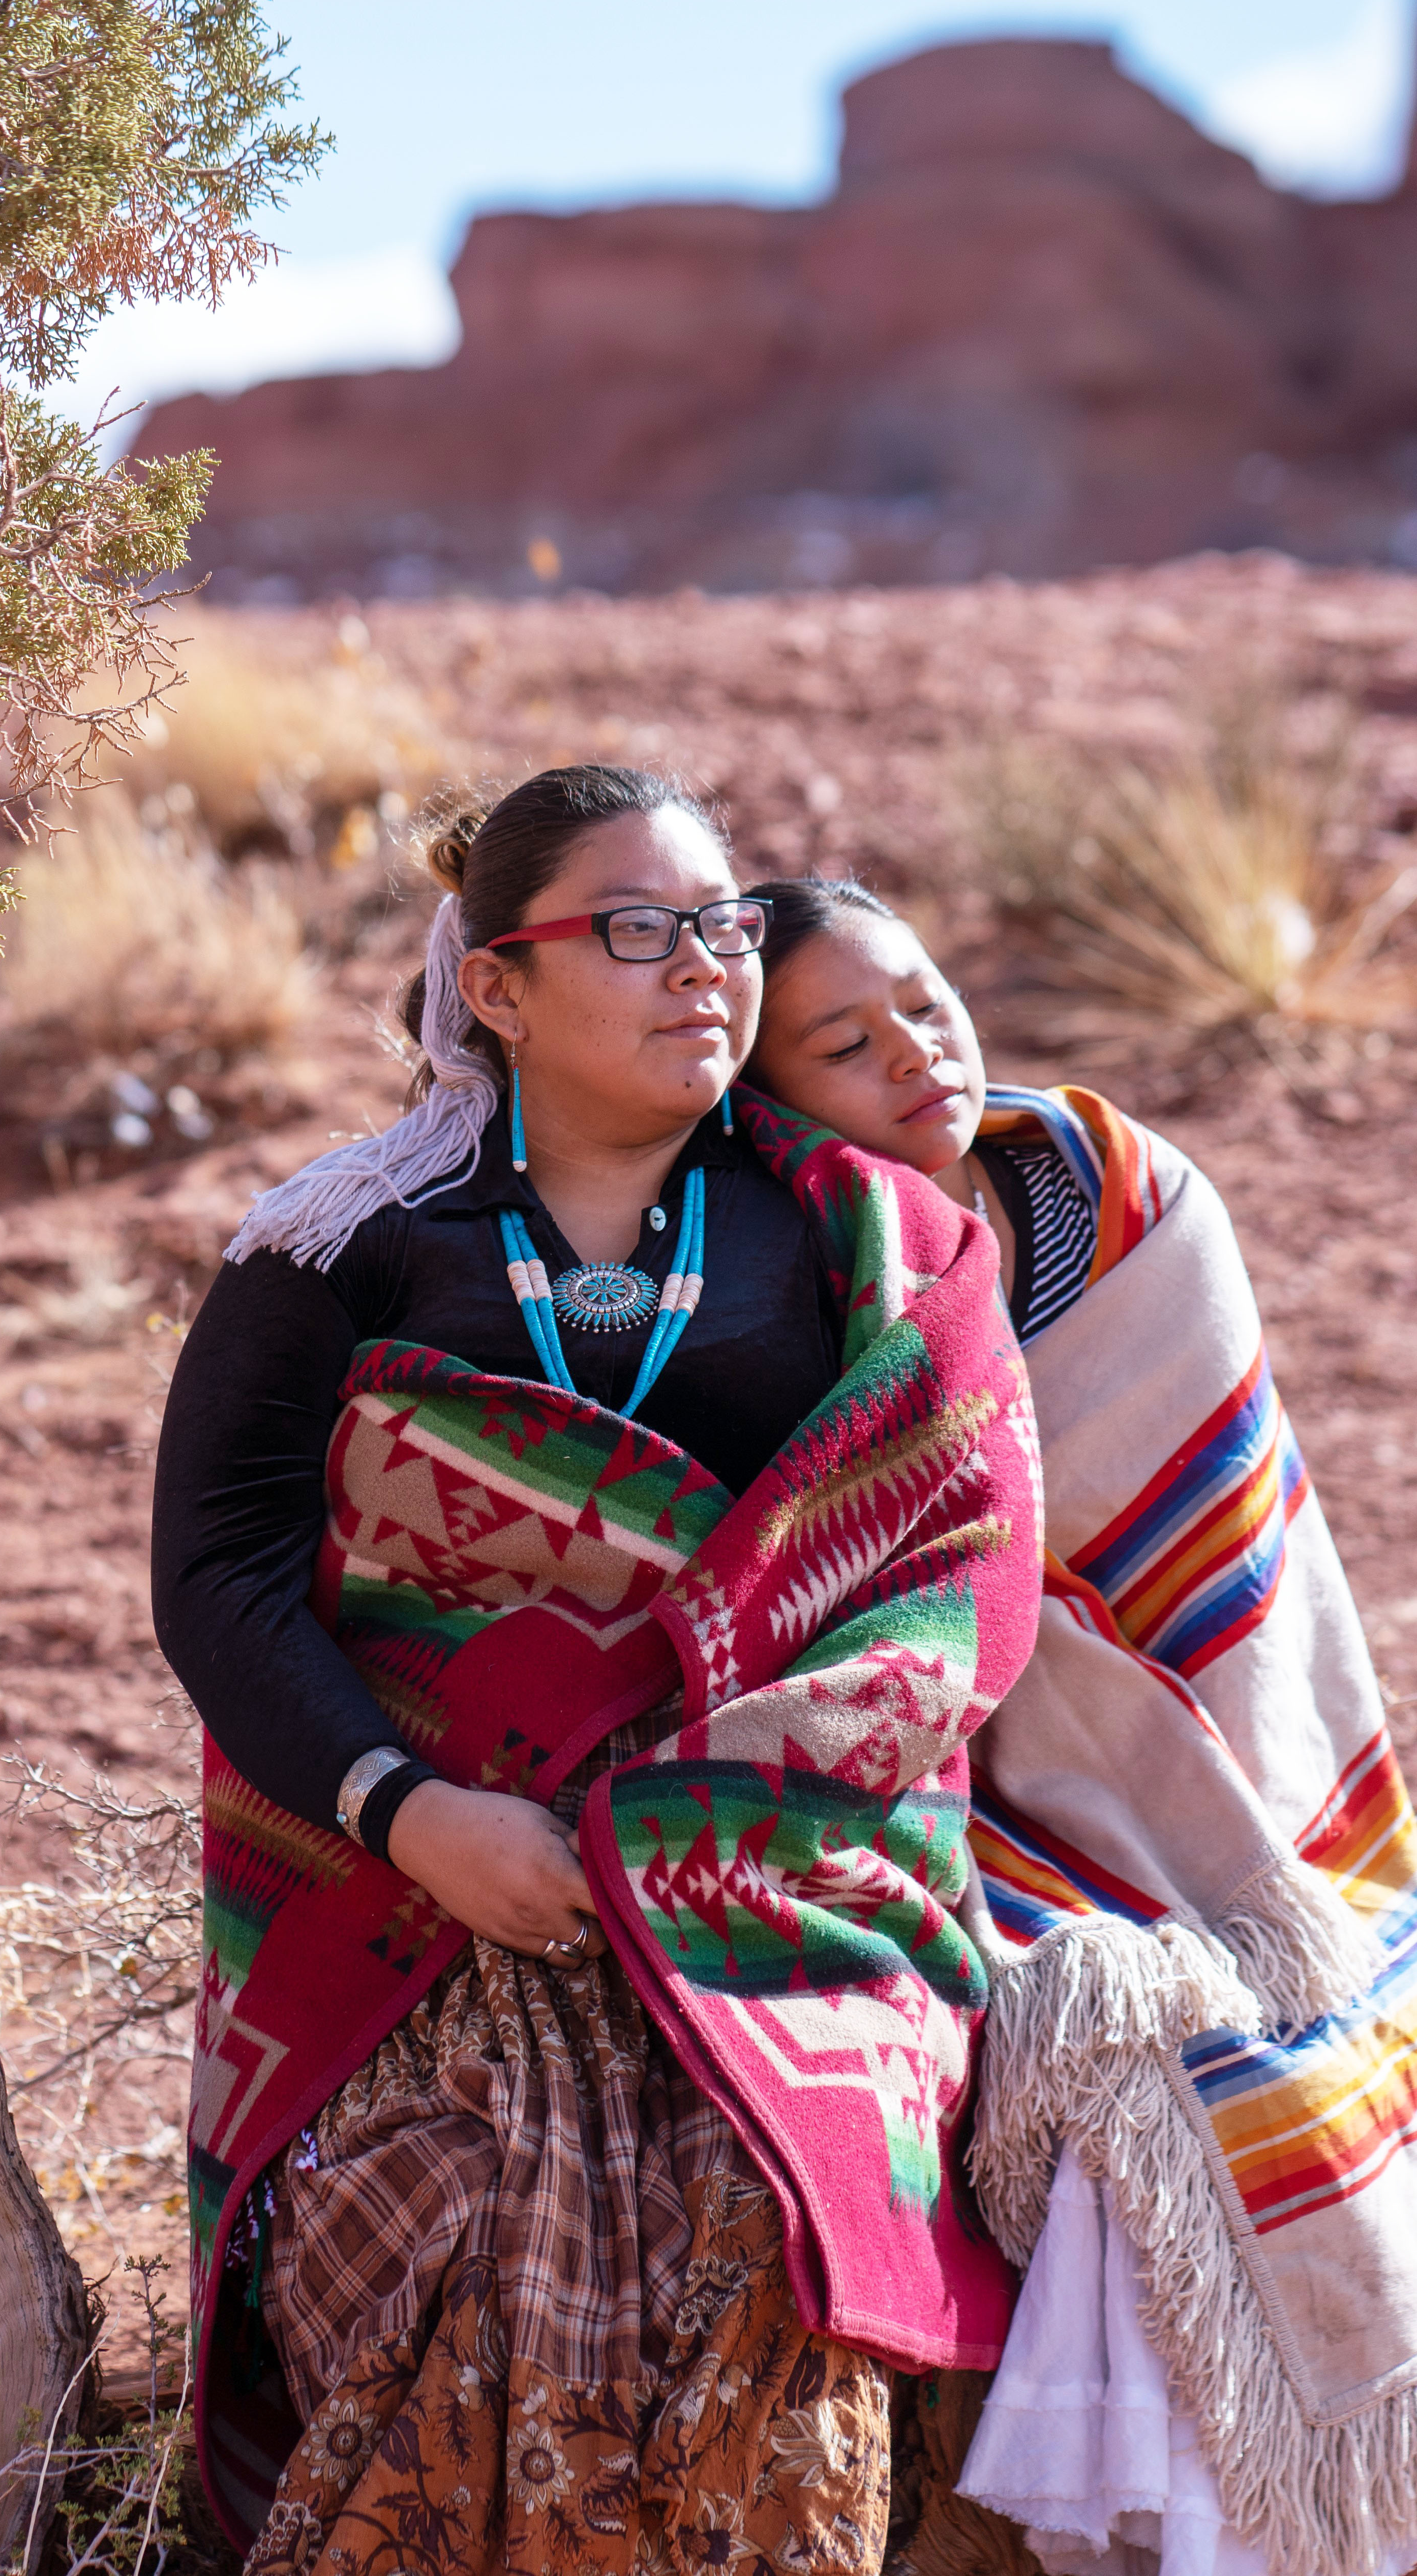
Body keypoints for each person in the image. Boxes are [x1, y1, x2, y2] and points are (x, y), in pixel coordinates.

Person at [154, 766, 1042, 2575]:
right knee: (446, 2221)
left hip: (774, 1889)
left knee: (759, 2215)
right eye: (635, 931)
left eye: (721, 928)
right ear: (495, 986)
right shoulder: (343, 1248)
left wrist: (693, 1817)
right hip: (420, 1903)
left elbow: (958, 1576)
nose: (703, 969)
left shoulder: (869, 1244)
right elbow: (220, 1581)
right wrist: (412, 1818)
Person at [744, 875, 1417, 2576]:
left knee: (1279, 2045)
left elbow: (1236, 1551)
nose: (916, 1051)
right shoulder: (791, 1281)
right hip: (979, 1799)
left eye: (925, 998)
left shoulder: (1119, 1202)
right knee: (1135, 2062)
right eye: (846, 1042)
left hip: (1253, 1802)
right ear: (772, 1097)